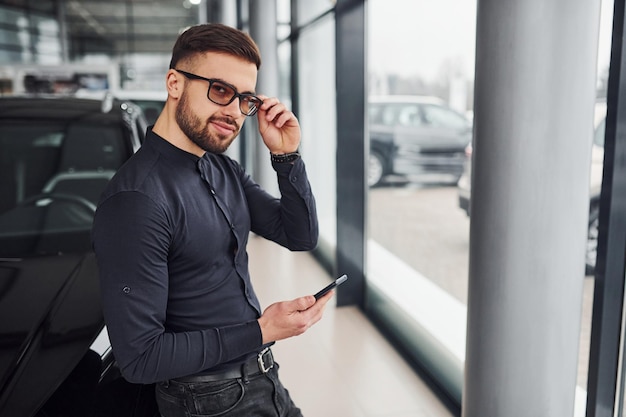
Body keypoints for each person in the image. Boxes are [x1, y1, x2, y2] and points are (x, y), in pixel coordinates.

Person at [92, 23, 333, 417]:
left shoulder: (222, 168)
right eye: (220, 90)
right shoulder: (136, 202)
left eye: (245, 99)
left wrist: (286, 156)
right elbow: (140, 358)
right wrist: (264, 330)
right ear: (174, 83)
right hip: (206, 402)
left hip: (261, 377)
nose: (233, 111)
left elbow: (299, 235)